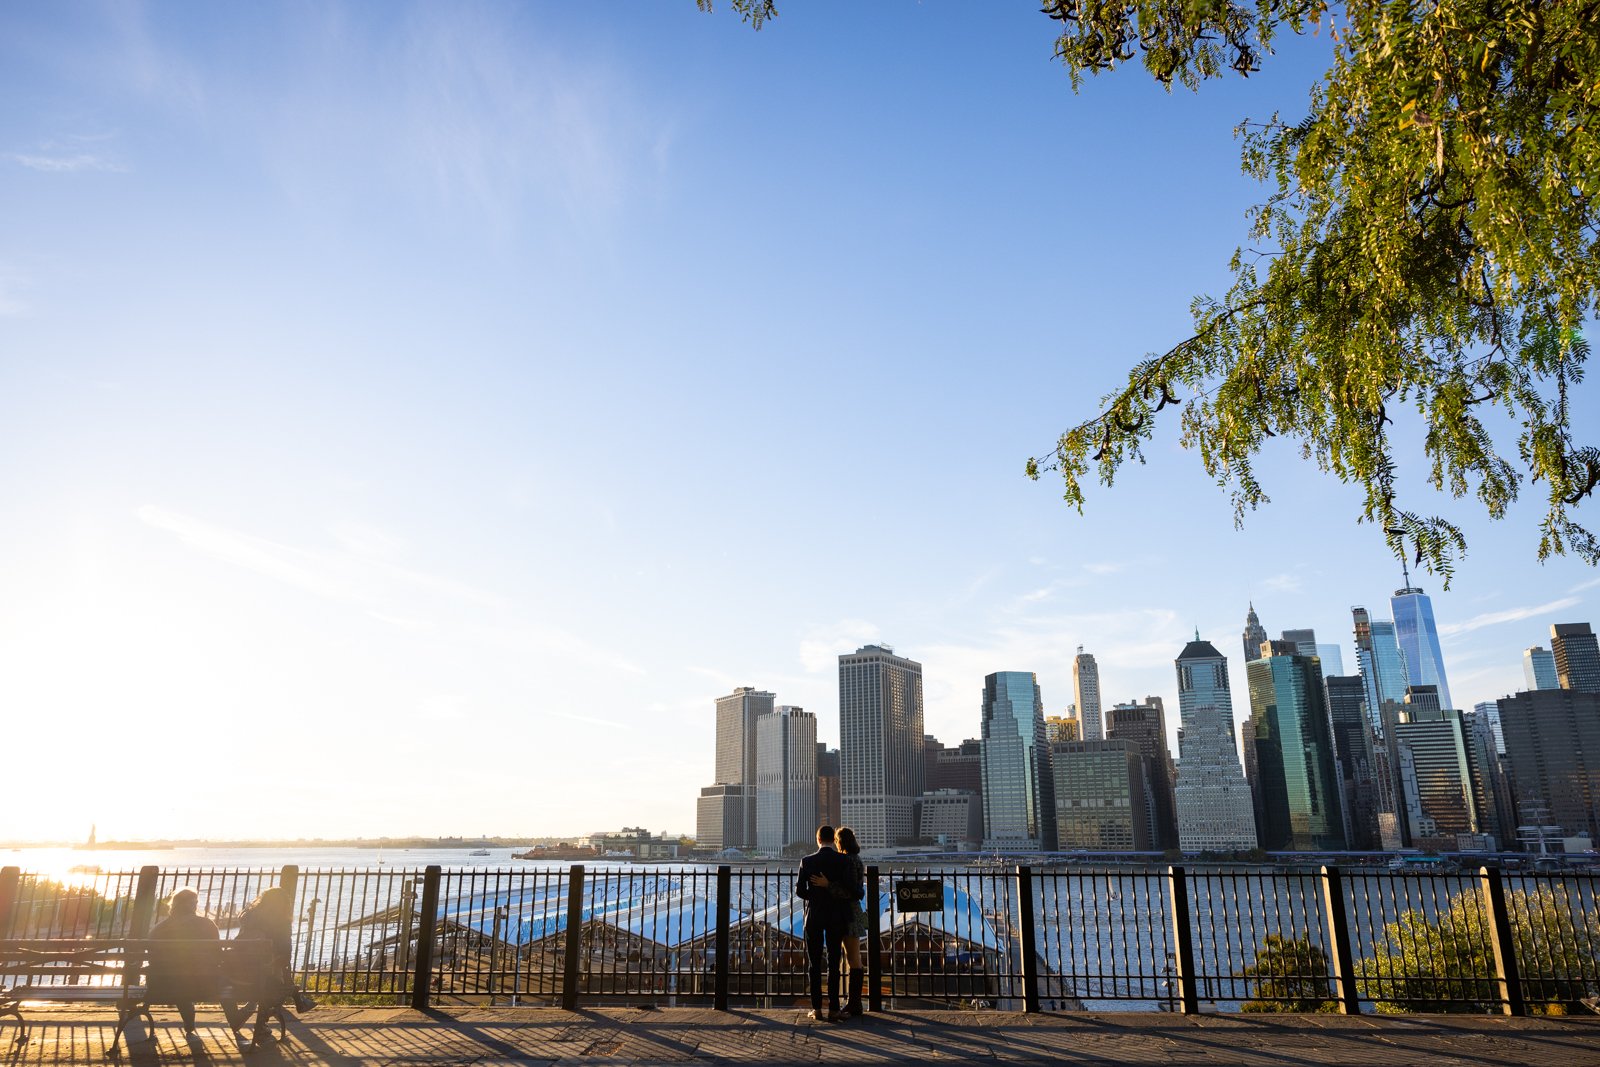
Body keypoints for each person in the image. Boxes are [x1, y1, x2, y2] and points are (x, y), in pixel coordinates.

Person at [222, 886, 302, 1047]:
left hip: (234, 975)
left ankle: (238, 1016)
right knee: (277, 985)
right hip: (262, 979)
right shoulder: (282, 923)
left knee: (226, 984)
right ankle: (261, 1025)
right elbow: (286, 955)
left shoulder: (248, 917)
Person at [794, 824, 853, 1022]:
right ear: (832, 841)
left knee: (814, 963)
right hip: (836, 916)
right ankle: (834, 1009)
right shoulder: (844, 860)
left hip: (815, 916)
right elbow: (850, 890)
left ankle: (817, 1008)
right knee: (834, 963)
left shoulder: (807, 861)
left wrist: (816, 894)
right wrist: (830, 890)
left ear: (818, 840)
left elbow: (800, 891)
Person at [147, 888, 221, 1036]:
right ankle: (191, 1016)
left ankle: (188, 1017)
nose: (196, 905)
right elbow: (217, 955)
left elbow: (152, 958)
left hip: (162, 985)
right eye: (196, 902)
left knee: (178, 977)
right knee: (188, 978)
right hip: (201, 985)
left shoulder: (159, 929)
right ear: (192, 905)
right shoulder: (206, 924)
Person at [828, 827, 867, 1017]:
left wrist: (829, 885)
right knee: (855, 957)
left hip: (848, 912)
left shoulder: (847, 861)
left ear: (839, 842)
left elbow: (849, 890)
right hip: (854, 911)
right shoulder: (857, 860)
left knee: (853, 959)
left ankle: (854, 1004)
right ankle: (855, 1002)